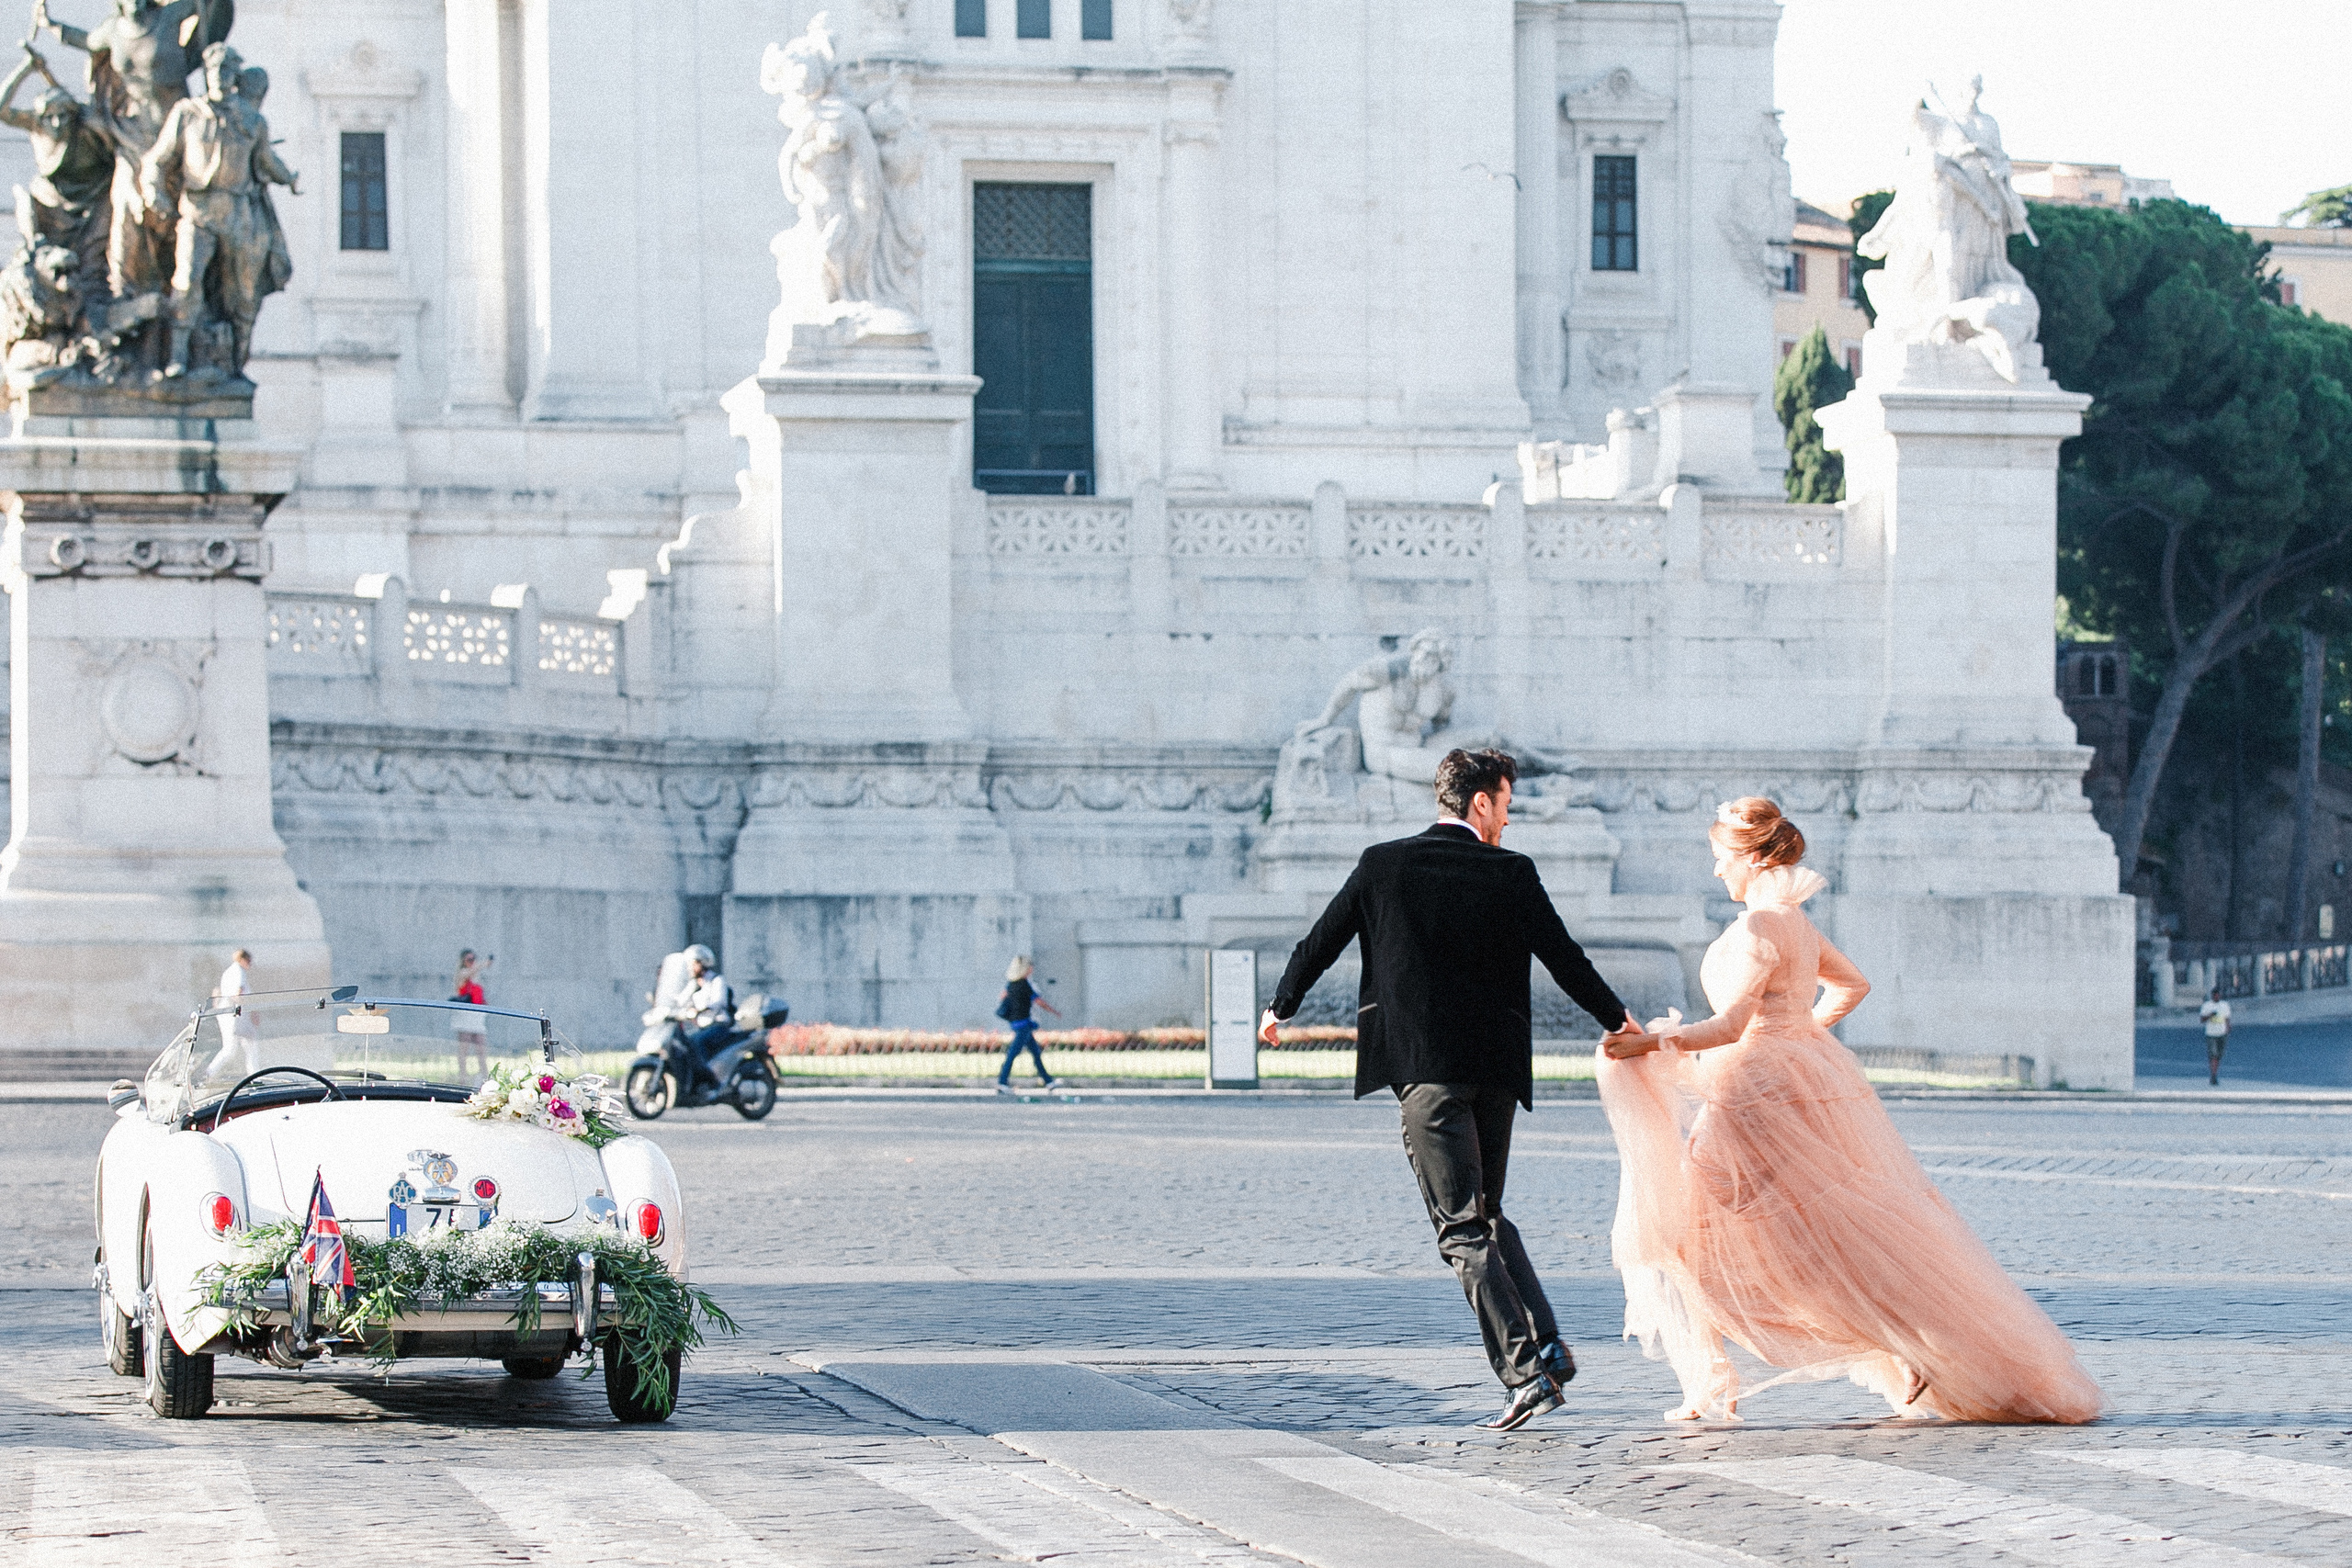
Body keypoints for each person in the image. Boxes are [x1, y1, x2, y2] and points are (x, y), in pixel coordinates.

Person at [1597, 797, 2104, 1425]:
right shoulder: (1796, 923)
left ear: (1753, 857)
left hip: (1751, 1090)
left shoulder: (1760, 928)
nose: (1716, 870)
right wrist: (1798, 1034)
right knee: (1814, 1229)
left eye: (1721, 858)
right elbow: (1852, 984)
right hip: (1783, 1081)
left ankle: (1717, 1375)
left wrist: (1649, 1042)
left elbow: (1730, 1026)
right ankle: (1882, 1344)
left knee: (1688, 1226)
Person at [1260, 747, 1634, 1431]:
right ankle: (1546, 1343)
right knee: (1487, 1212)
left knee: (1461, 1225)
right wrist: (1618, 1017)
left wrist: (1280, 1006)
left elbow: (1321, 940)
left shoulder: (1384, 864)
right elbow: (1565, 956)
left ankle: (1525, 1371)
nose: (1509, 821)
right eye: (1507, 806)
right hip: (1495, 1070)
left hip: (1426, 1070)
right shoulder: (1512, 872)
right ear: (1479, 802)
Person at [995, 956, 1060, 1092]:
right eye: (1030, 967)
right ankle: (1002, 1081)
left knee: (1035, 1053)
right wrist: (1054, 1012)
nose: (1031, 969)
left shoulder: (1011, 984)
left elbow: (1002, 997)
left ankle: (1048, 1081)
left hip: (1017, 1022)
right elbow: (1039, 1001)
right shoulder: (1024, 984)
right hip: (1024, 1023)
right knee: (1013, 1053)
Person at [201, 947, 257, 1082]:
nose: (250, 964)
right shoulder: (239, 972)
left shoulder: (230, 971)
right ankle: (254, 1076)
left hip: (230, 1015)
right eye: (248, 961)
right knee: (249, 1045)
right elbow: (238, 994)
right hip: (237, 1016)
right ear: (242, 959)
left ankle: (209, 1072)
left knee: (233, 1048)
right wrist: (251, 1009)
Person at [680, 945, 733, 1086]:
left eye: (692, 964)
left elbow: (718, 1002)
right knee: (683, 1043)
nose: (690, 968)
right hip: (702, 1027)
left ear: (702, 963)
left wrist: (699, 1010)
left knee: (696, 1042)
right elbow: (681, 1001)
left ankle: (707, 1078)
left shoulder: (716, 980)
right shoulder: (694, 984)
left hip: (718, 1025)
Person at [2199, 986, 2232, 1086]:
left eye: (2217, 995)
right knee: (2213, 1054)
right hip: (2211, 1034)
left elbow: (2227, 1018)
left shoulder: (2224, 1005)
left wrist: (2227, 1027)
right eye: (2214, 995)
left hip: (2222, 1033)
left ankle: (2215, 1071)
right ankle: (2213, 1075)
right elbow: (2202, 1020)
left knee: (2219, 1055)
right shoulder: (2207, 1006)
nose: (2216, 997)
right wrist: (2209, 1015)